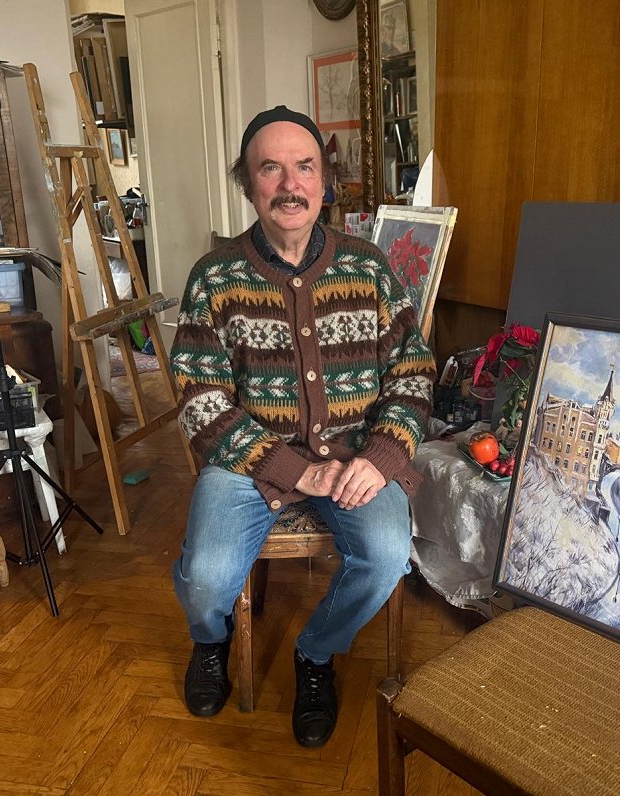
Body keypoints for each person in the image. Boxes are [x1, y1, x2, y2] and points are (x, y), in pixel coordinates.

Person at [169, 106, 435, 748]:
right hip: (248, 464)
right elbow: (199, 398)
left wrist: (381, 456)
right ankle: (211, 640)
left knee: (386, 557)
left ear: (324, 181)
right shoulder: (215, 277)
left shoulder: (368, 268)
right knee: (206, 578)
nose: (290, 185)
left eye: (304, 167)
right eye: (271, 168)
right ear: (248, 183)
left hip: (355, 459)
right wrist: (291, 469)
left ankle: (316, 653)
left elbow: (414, 373)